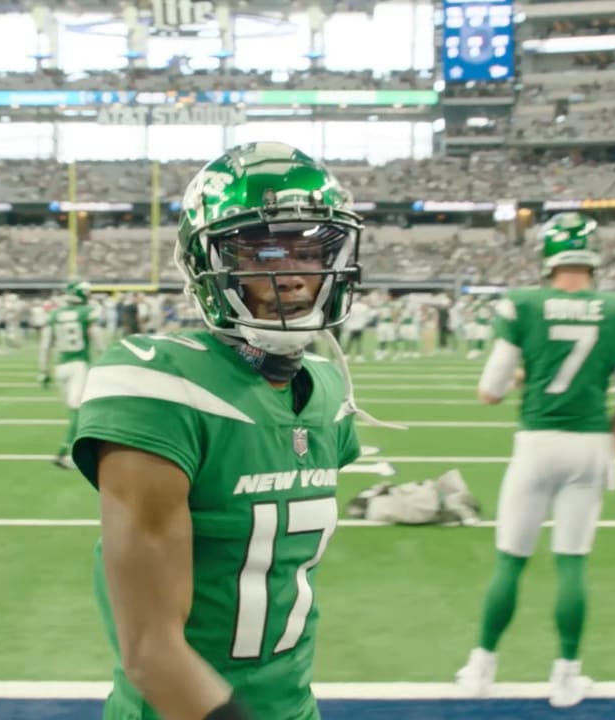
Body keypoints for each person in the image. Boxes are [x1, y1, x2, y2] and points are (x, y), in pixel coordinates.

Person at [70, 142, 397, 720]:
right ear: (208, 262)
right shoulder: (157, 386)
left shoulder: (325, 394)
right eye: (265, 248)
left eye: (311, 249)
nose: (293, 274)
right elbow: (151, 651)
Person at [455, 212, 615, 708]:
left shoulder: (523, 304)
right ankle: (565, 674)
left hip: (537, 443)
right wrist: (606, 453)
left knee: (510, 561)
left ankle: (482, 666)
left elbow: (488, 392)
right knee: (572, 564)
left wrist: (526, 377)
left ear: (548, 255)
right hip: (589, 444)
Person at [38, 280, 103, 470]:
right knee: (78, 411)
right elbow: (97, 340)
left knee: (74, 411)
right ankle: (63, 453)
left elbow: (45, 346)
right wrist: (106, 356)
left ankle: (67, 451)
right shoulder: (85, 313)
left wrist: (43, 371)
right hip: (78, 364)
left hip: (61, 367)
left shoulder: (54, 314)